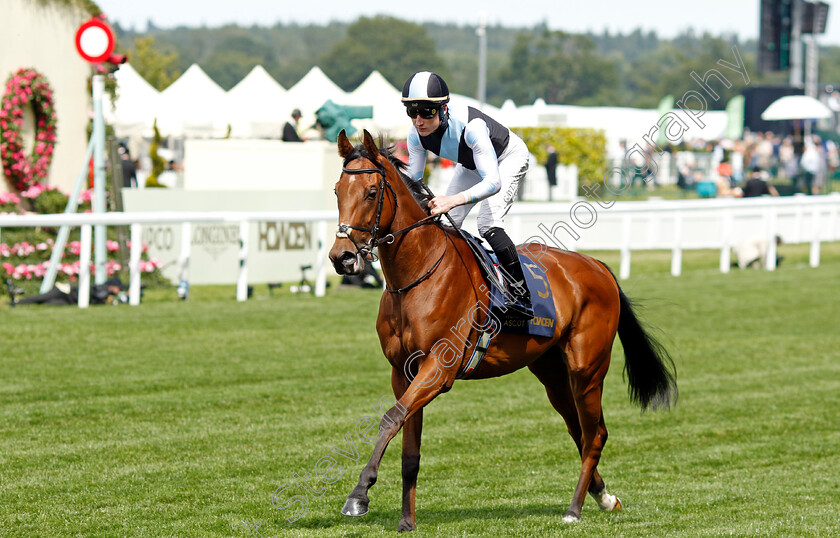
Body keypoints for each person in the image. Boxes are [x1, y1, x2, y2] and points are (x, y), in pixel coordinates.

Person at [401, 71, 532, 317]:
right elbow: (414, 180)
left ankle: (521, 296)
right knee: (441, 224)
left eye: (426, 112)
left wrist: (451, 200)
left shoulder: (472, 127)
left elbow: (493, 182)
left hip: (508, 158)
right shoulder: (415, 135)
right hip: (472, 163)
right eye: (412, 112)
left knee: (488, 224)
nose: (419, 120)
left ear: (443, 109)